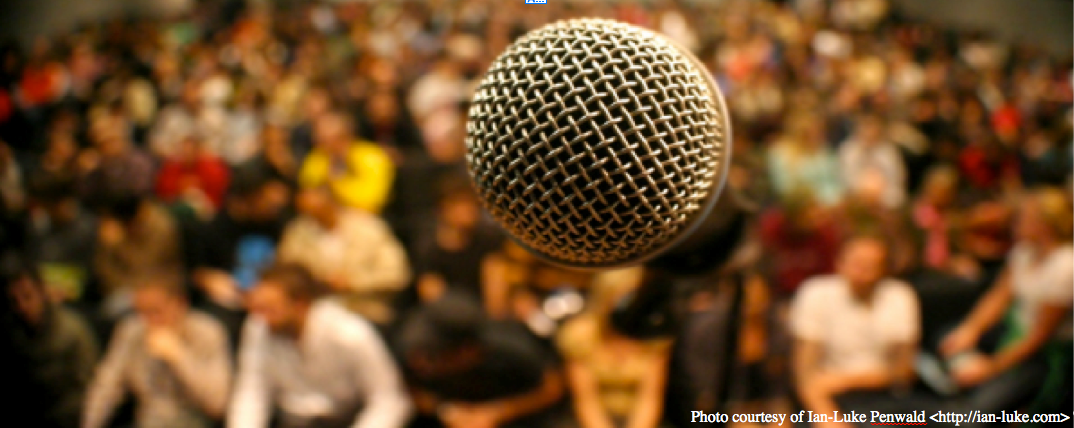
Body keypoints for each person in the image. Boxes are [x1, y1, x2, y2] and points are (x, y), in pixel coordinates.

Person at [939, 187, 1073, 418]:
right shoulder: (1023, 252)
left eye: (1023, 217)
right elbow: (999, 295)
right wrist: (970, 329)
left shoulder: (1065, 266)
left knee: (977, 413)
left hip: (1045, 355)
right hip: (1016, 333)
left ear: (1044, 224)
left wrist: (989, 369)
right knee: (947, 336)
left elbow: (1039, 337)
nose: (1014, 223)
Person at [228, 263, 412, 428]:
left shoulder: (350, 333)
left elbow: (388, 401)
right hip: (289, 421)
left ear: (301, 304)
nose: (262, 318)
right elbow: (252, 392)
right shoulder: (258, 327)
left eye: (271, 309)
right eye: (259, 308)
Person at [791, 234, 921, 426]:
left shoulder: (900, 296)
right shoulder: (816, 293)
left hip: (885, 397)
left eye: (872, 265)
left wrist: (843, 380)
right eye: (857, 263)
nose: (863, 272)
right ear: (839, 263)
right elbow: (805, 372)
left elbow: (902, 371)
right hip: (828, 399)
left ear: (884, 269)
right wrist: (827, 416)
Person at [396, 291, 568, 428]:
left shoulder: (512, 347)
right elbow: (407, 388)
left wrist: (497, 412)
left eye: (434, 355)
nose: (421, 361)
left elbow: (552, 387)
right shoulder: (409, 342)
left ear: (466, 352)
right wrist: (447, 411)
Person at [83, 276, 231, 428]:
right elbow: (106, 387)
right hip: (147, 421)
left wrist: (179, 356)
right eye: (142, 312)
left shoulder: (207, 331)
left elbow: (217, 403)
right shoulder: (132, 331)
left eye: (156, 311)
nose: (149, 321)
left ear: (181, 304)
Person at [277, 185, 410, 325]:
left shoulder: (369, 227)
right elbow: (285, 275)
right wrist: (318, 282)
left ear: (333, 203)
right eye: (308, 213)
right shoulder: (296, 232)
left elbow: (397, 274)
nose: (315, 218)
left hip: (367, 312)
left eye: (320, 211)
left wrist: (353, 282)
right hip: (314, 315)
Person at [556, 268, 671, 428]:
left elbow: (650, 399)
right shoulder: (579, 335)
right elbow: (586, 400)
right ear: (605, 297)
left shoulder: (655, 335)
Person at [1, 259, 98, 428]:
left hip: (67, 415)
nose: (22, 306)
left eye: (27, 296)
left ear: (42, 293)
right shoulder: (11, 333)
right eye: (14, 301)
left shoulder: (72, 330)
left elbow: (89, 385)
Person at [413, 175, 504, 304]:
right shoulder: (429, 246)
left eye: (471, 204)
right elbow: (431, 294)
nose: (468, 210)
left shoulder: (488, 240)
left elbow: (496, 298)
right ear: (443, 209)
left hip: (480, 312)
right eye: (460, 204)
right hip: (446, 311)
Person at [298, 111, 395, 214]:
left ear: (344, 136)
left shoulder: (370, 155)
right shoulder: (319, 156)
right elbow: (307, 191)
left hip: (364, 216)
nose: (319, 144)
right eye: (319, 139)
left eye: (325, 140)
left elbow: (373, 199)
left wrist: (336, 185)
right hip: (327, 216)